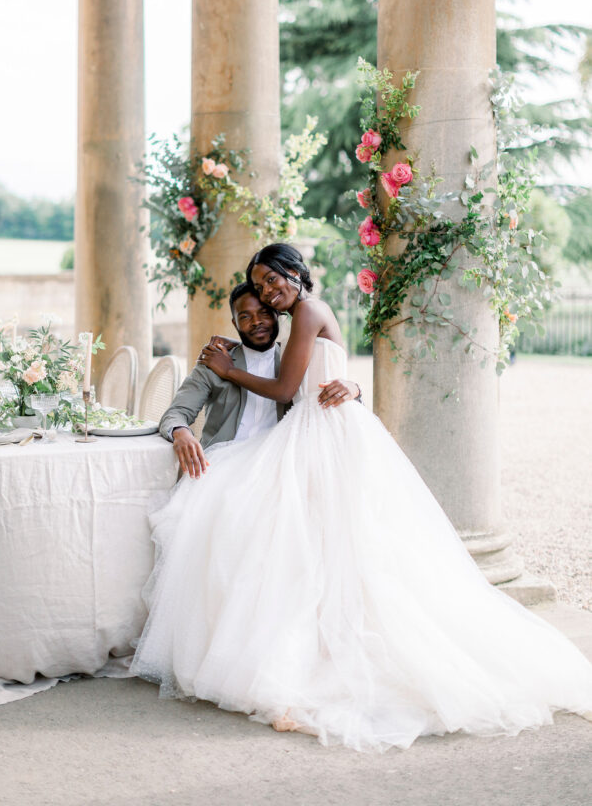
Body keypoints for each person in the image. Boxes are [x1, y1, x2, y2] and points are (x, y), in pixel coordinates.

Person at [130, 244, 592, 752]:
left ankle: (328, 653)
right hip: (313, 432)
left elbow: (288, 390)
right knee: (320, 547)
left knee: (341, 543)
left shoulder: (305, 312)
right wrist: (339, 383)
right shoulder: (301, 319)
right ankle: (308, 643)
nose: (266, 295)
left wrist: (242, 369)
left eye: (271, 283)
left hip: (318, 436)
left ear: (295, 273)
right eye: (257, 291)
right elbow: (316, 378)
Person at [160, 281, 359, 479]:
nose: (256, 322)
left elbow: (326, 395)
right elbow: (176, 413)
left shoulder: (294, 366)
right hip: (222, 466)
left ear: (277, 316)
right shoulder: (214, 362)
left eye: (264, 313)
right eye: (245, 316)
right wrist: (181, 432)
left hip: (277, 468)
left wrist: (354, 388)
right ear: (234, 323)